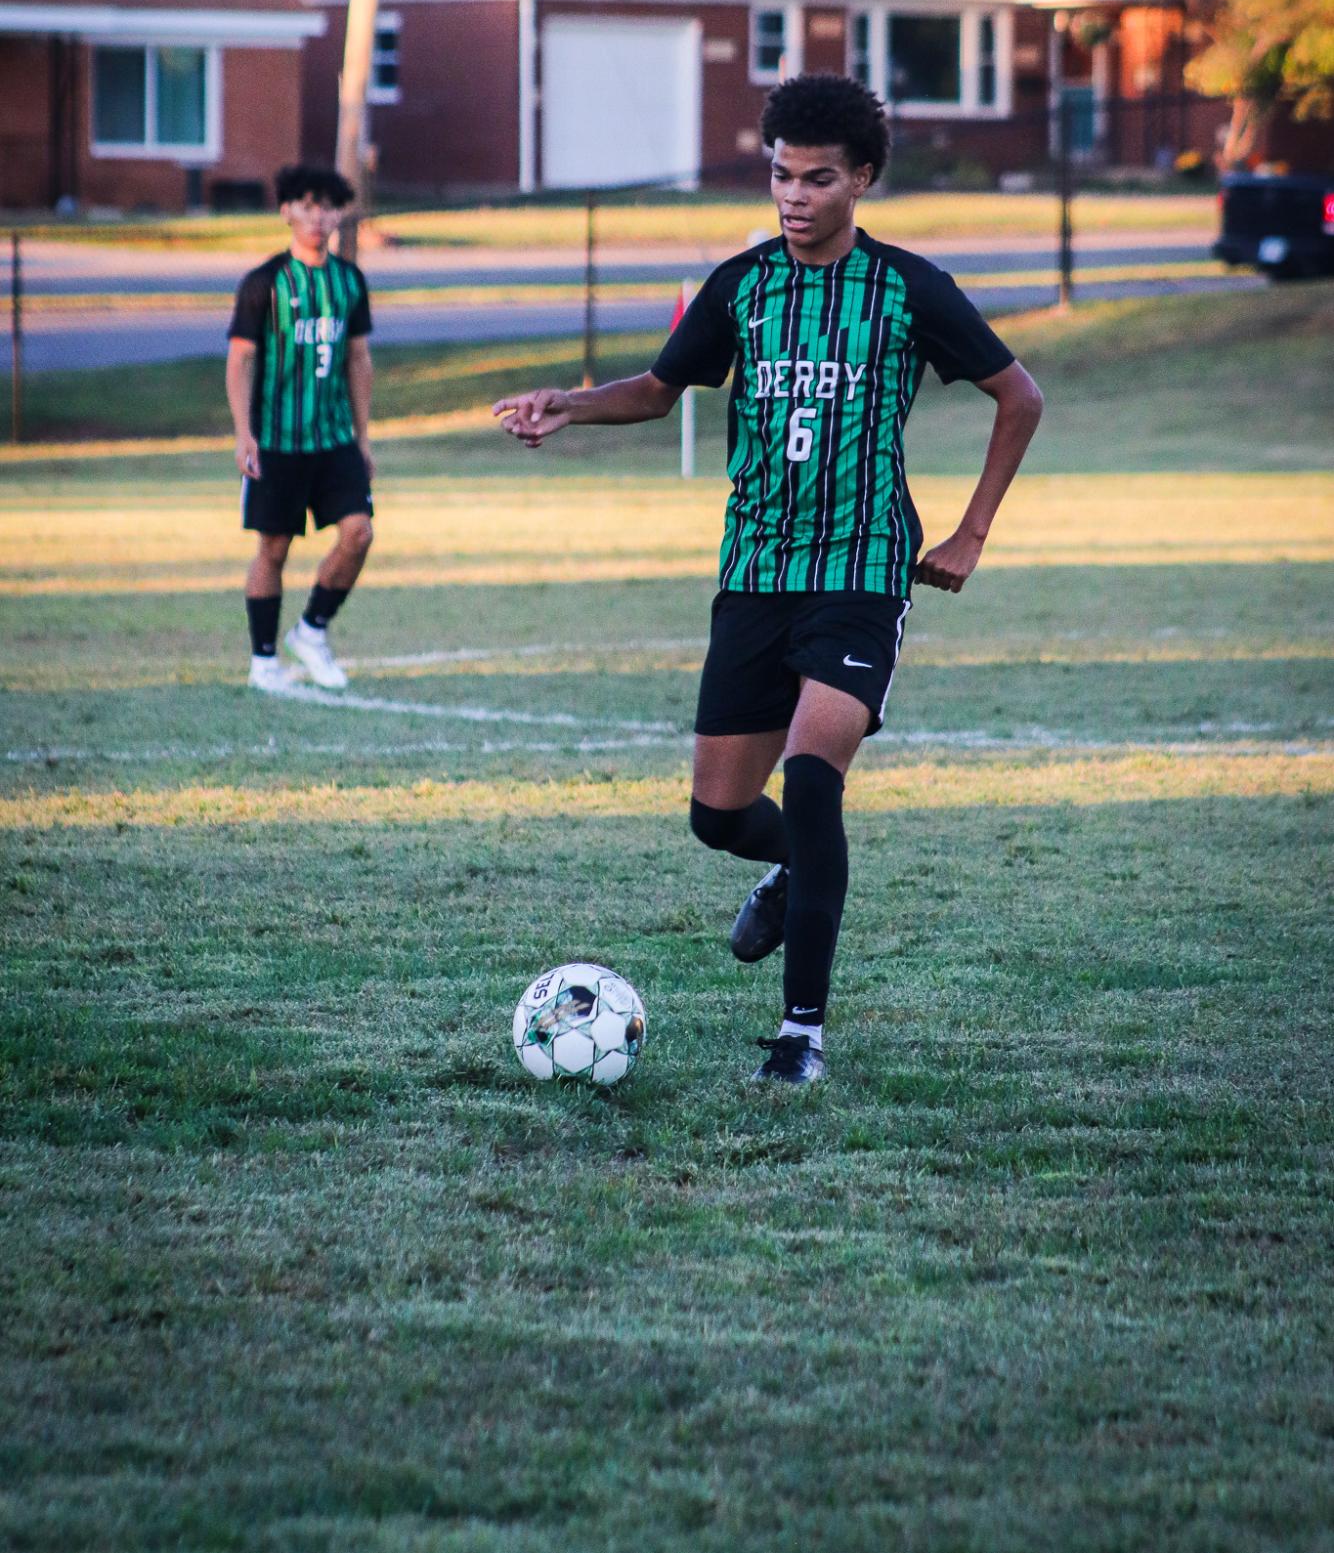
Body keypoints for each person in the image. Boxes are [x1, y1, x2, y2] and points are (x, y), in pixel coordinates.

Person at [494, 75, 1043, 1084]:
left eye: (817, 179)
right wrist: (568, 404)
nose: (793, 197)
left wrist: (969, 532)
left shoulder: (907, 289)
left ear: (862, 179)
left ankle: (800, 1037)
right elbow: (659, 392)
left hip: (861, 570)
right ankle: (797, 868)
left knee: (812, 773)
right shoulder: (740, 287)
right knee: (716, 814)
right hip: (754, 567)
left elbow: (1019, 395)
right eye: (780, 176)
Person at [226, 164, 374, 694]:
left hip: (333, 440)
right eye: (306, 205)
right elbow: (240, 361)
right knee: (274, 549)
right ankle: (264, 660)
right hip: (278, 443)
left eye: (328, 205)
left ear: (340, 213)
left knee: (359, 533)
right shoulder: (264, 283)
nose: (318, 216)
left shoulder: (349, 281)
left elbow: (358, 360)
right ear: (286, 210)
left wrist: (363, 437)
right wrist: (245, 434)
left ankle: (311, 631)